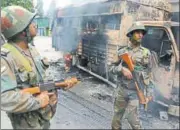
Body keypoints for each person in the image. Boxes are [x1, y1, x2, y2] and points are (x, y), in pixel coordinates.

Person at [1, 6, 73, 129]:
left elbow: (40, 81)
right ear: (22, 30)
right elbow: (4, 98)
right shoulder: (6, 57)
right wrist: (38, 102)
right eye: (31, 23)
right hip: (26, 123)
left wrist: (60, 85)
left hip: (42, 117)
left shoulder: (31, 50)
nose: (35, 25)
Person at [110, 22, 154, 129]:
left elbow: (149, 74)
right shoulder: (122, 52)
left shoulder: (146, 53)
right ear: (131, 34)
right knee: (116, 118)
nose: (141, 35)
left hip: (136, 91)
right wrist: (122, 69)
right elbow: (111, 68)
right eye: (138, 32)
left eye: (142, 33)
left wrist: (149, 94)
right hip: (122, 90)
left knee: (133, 120)